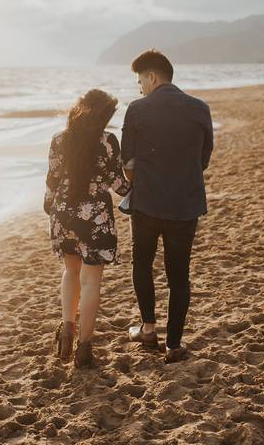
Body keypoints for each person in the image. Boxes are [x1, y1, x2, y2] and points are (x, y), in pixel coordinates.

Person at [121, 50, 213, 363]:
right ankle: (174, 344)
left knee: (142, 264)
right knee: (179, 275)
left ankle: (148, 329)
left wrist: (145, 177)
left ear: (152, 77)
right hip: (185, 204)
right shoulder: (200, 108)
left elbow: (127, 161)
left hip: (147, 202)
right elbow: (204, 159)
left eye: (140, 81)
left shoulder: (137, 109)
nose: (139, 88)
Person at [44, 89, 131, 368]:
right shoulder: (108, 142)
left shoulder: (59, 140)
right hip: (94, 216)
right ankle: (84, 347)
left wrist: (50, 207)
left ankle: (66, 330)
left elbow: (52, 180)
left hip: (63, 212)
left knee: (70, 271)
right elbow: (119, 185)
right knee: (91, 281)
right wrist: (137, 181)